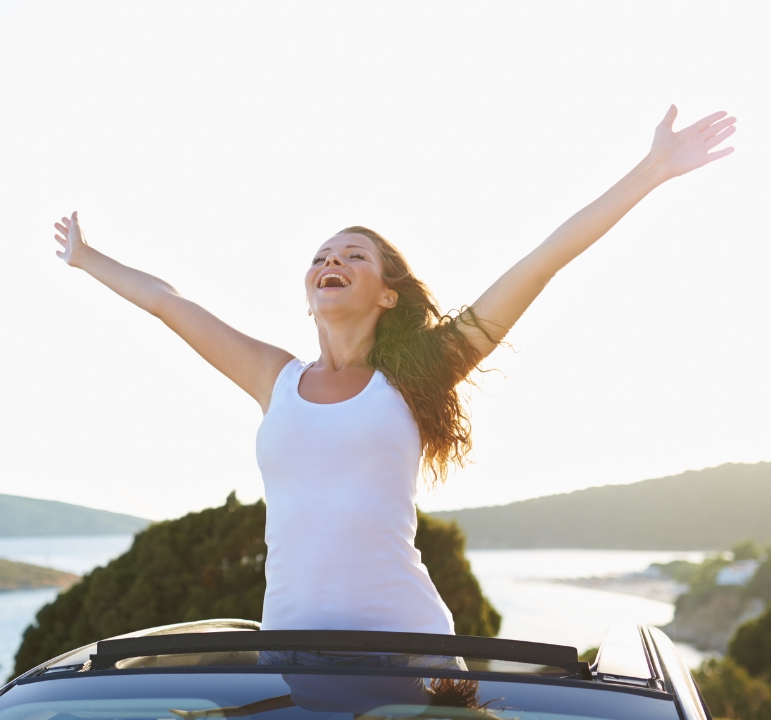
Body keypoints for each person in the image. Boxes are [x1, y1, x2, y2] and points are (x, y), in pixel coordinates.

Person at [50, 106, 736, 635]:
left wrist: (650, 171)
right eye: (322, 255)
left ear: (387, 294)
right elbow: (170, 303)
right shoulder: (274, 378)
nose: (332, 262)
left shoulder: (419, 375)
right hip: (293, 650)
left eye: (354, 255)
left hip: (407, 646)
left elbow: (540, 260)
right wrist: (87, 258)